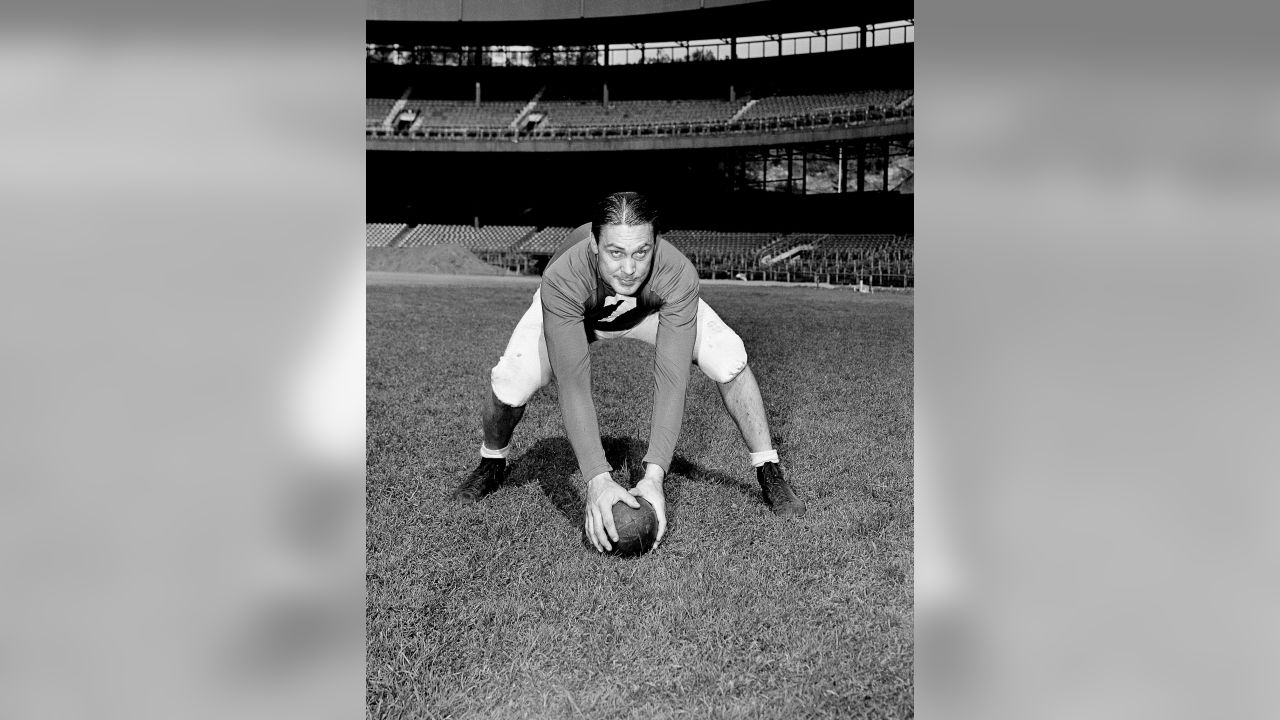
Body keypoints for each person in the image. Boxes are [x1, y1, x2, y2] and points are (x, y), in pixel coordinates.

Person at [453, 191, 806, 553]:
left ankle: (768, 468)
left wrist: (654, 476)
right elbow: (574, 386)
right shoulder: (564, 276)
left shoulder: (676, 273)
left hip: (647, 313)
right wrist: (597, 479)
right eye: (615, 252)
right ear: (594, 244)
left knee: (728, 356)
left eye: (641, 252)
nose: (629, 268)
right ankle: (492, 462)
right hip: (579, 315)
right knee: (512, 380)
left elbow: (671, 380)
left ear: (656, 243)